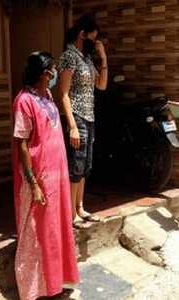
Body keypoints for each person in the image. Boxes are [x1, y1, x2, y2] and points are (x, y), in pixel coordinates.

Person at [13, 52, 79, 300]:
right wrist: (34, 183)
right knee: (38, 232)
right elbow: (21, 144)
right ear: (44, 73)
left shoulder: (48, 96)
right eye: (52, 69)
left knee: (56, 229)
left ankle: (55, 283)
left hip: (57, 175)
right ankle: (35, 290)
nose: (55, 74)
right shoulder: (24, 101)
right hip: (39, 177)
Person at [59, 14, 108, 227]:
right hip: (77, 117)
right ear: (82, 34)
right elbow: (62, 94)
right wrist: (72, 126)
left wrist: (103, 58)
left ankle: (80, 207)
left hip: (90, 117)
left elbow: (102, 85)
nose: (94, 42)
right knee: (75, 166)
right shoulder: (69, 57)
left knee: (85, 166)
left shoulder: (85, 58)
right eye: (92, 37)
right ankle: (71, 214)